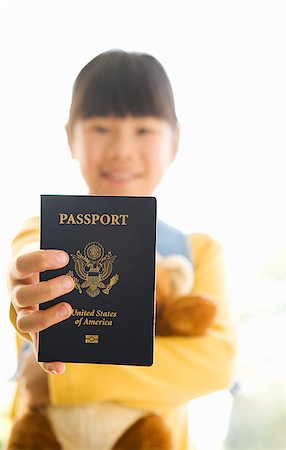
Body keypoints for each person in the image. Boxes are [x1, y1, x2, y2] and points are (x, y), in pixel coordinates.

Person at [7, 49, 236, 449]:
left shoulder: (198, 253)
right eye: (100, 128)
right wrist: (23, 286)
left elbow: (215, 365)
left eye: (144, 130)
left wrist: (64, 384)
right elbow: (26, 264)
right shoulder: (41, 230)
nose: (121, 149)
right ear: (70, 137)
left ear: (175, 142)